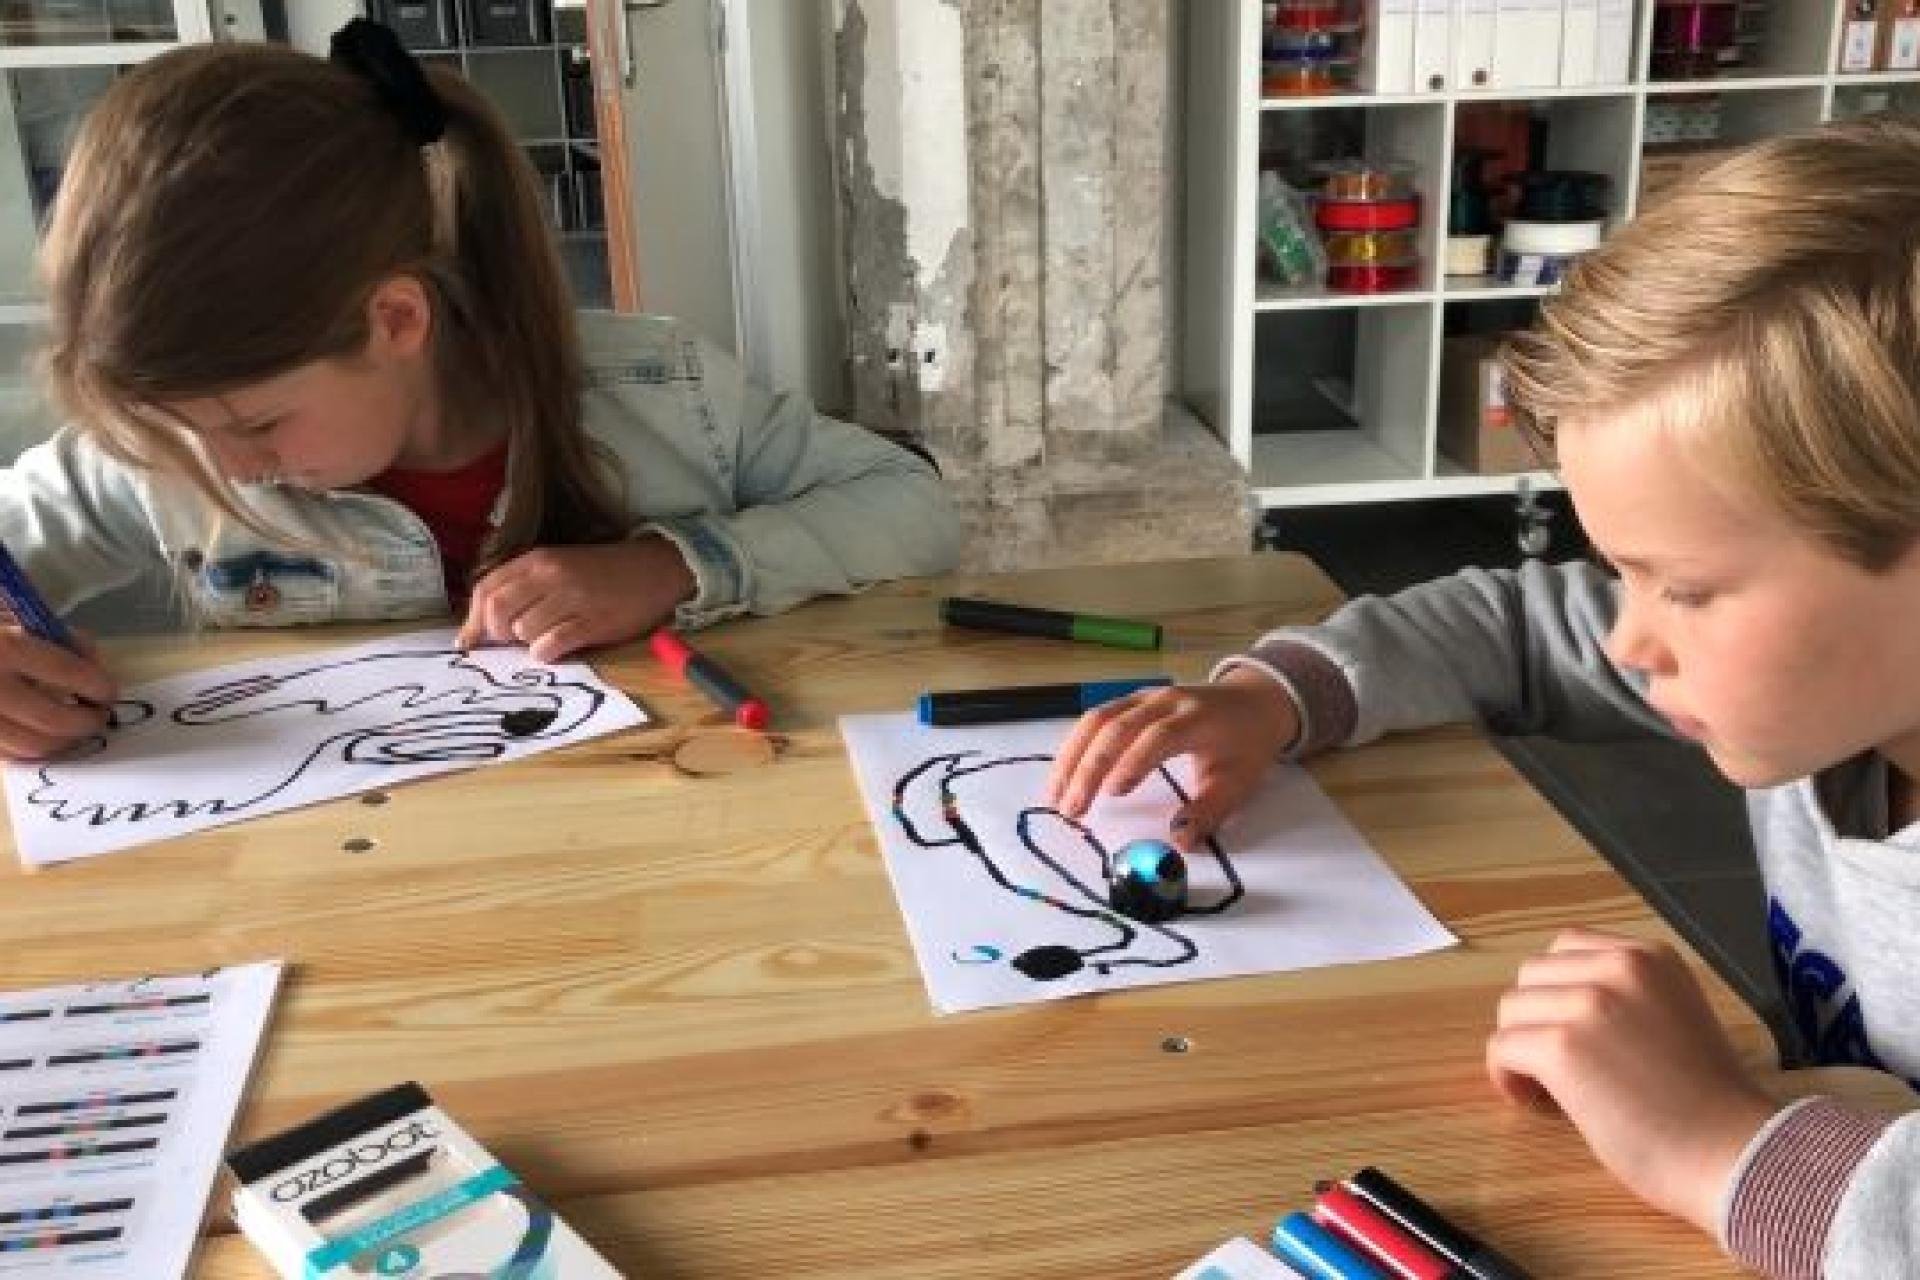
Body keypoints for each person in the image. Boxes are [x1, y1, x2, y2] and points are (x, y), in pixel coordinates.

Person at [1050, 117, 1920, 1279]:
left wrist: (1718, 1145)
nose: (1628, 633)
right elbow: (1516, 624)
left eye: (1689, 587)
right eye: (1625, 570)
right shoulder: (1842, 681)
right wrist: (1279, 695)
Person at [0, 21, 959, 762]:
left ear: (397, 321)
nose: (225, 469)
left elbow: (910, 504)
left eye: (257, 424)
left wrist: (668, 568)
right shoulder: (164, 451)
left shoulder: (660, 391)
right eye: (175, 435)